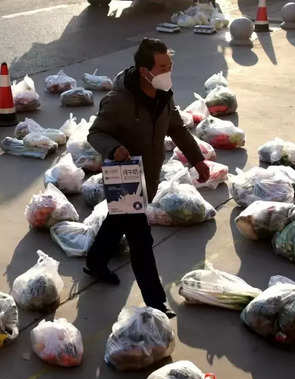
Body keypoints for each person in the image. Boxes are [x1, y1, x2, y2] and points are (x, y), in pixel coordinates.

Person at [84, 37, 210, 318]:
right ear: (145, 71)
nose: (169, 72)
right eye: (163, 67)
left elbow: (177, 129)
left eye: (170, 65)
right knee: (141, 238)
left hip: (149, 175)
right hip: (125, 176)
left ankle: (95, 261)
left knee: (118, 220)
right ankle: (156, 300)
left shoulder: (164, 94)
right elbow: (96, 133)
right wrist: (114, 148)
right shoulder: (119, 101)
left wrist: (198, 160)